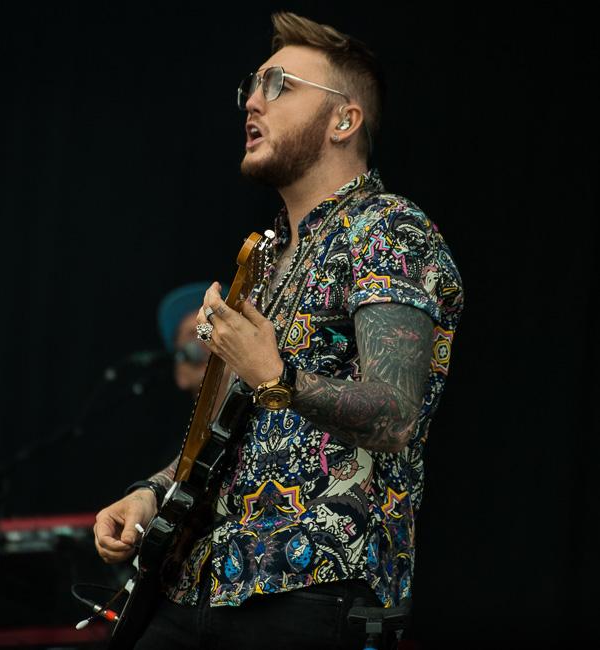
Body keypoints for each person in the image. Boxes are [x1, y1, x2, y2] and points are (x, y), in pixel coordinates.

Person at [93, 11, 464, 650]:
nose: (253, 102)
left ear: (344, 120)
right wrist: (152, 494)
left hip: (311, 590)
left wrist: (275, 373)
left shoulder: (389, 230)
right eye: (253, 86)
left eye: (279, 86)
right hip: (196, 583)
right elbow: (230, 434)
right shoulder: (265, 259)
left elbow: (397, 414)